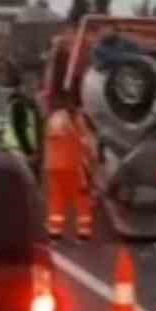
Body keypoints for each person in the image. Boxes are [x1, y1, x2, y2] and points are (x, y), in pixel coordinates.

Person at [43, 89, 95, 243]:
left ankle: (54, 233)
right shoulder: (77, 119)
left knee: (57, 198)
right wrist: (91, 167)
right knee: (82, 198)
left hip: (53, 165)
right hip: (73, 165)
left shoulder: (54, 118)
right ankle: (83, 233)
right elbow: (87, 144)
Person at [2, 70, 43, 177]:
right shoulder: (18, 104)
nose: (33, 91)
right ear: (21, 87)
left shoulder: (31, 107)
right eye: (30, 87)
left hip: (24, 153)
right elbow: (19, 130)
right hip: (17, 151)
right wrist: (29, 153)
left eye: (35, 88)